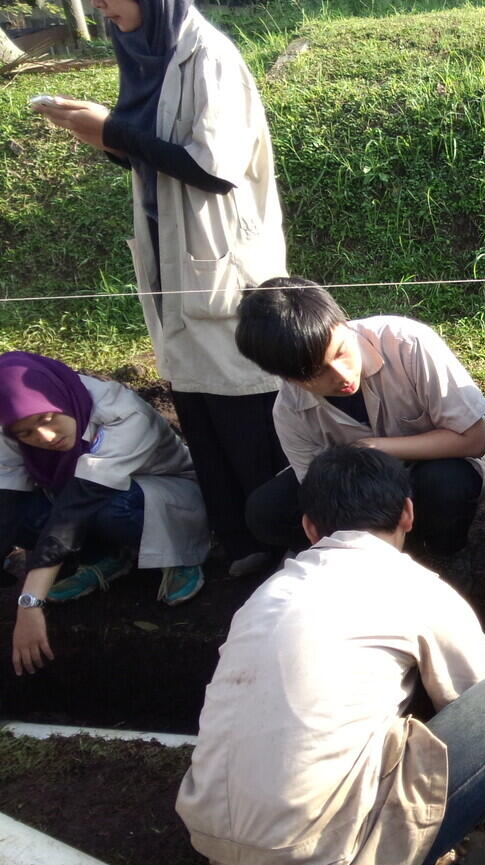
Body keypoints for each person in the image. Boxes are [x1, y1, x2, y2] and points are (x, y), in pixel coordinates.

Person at [176, 445, 485, 865]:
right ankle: (416, 864)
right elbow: (484, 714)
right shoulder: (419, 592)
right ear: (408, 512)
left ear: (310, 528)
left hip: (217, 850)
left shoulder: (264, 597)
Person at [30, 0, 289, 576]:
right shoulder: (148, 54)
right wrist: (104, 138)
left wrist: (114, 131)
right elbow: (152, 154)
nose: (99, 5)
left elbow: (213, 168)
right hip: (170, 257)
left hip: (221, 263)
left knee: (243, 403)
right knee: (195, 403)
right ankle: (239, 540)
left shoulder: (210, 58)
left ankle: (278, 541)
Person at [235, 278, 485, 586]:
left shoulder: (409, 344)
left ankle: (447, 551)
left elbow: (474, 440)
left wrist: (377, 448)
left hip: (440, 465)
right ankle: (355, 561)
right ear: (286, 378)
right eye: (317, 373)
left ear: (343, 322)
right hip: (366, 490)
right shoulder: (289, 411)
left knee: (445, 484)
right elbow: (319, 495)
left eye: (339, 352)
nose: (341, 375)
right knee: (267, 511)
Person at [0, 352, 209, 676]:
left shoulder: (120, 413)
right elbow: (8, 502)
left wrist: (29, 603)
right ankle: (106, 558)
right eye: (26, 433)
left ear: (57, 396)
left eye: (47, 419)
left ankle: (181, 557)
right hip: (79, 496)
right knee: (27, 512)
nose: (45, 437)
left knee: (110, 509)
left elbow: (75, 509)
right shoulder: (11, 425)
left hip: (161, 495)